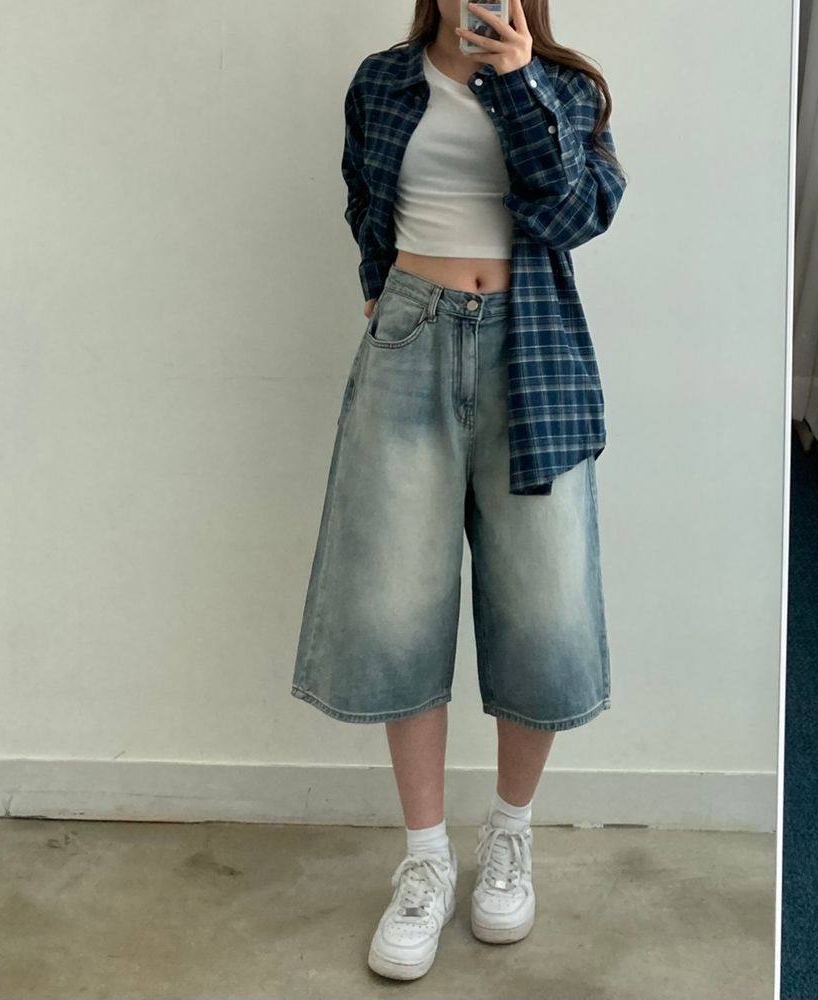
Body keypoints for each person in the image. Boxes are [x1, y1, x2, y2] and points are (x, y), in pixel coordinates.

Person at [290, 0, 627, 981]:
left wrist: (516, 84)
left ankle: (510, 836)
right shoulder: (381, 82)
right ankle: (427, 860)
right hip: (409, 341)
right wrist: (380, 282)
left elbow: (575, 213)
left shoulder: (567, 87)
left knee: (545, 609)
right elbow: (364, 190)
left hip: (534, 351)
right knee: (399, 602)